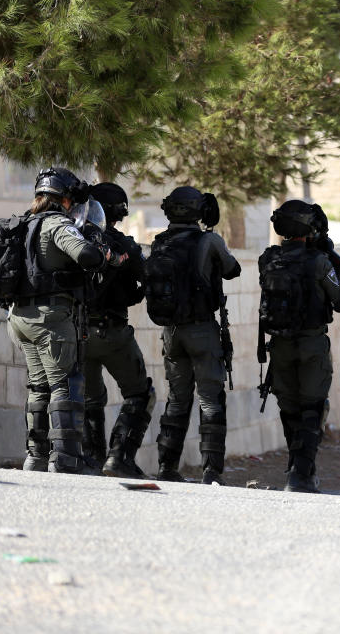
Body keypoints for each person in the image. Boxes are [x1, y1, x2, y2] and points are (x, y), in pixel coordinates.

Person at [9, 167, 127, 474]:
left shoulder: (23, 223)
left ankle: (35, 457)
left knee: (38, 387)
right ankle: (66, 459)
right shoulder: (56, 223)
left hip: (20, 317)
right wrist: (105, 256)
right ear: (63, 198)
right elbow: (86, 255)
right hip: (50, 318)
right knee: (65, 384)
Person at [258, 200, 340, 493]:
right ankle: (301, 473)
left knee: (289, 408)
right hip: (311, 343)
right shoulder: (319, 261)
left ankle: (296, 467)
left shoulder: (268, 259)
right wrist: (331, 259)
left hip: (280, 345)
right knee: (313, 408)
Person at [145, 186, 240, 485]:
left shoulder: (159, 243)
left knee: (177, 400)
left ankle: (167, 467)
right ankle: (211, 470)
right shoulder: (208, 240)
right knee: (210, 400)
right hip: (201, 330)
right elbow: (232, 269)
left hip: (171, 333)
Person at [77, 182, 156, 478]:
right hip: (112, 333)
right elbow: (146, 279)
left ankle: (92, 459)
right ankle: (119, 458)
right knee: (140, 394)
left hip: (79, 333)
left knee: (89, 399)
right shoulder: (124, 245)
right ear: (118, 212)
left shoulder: (74, 238)